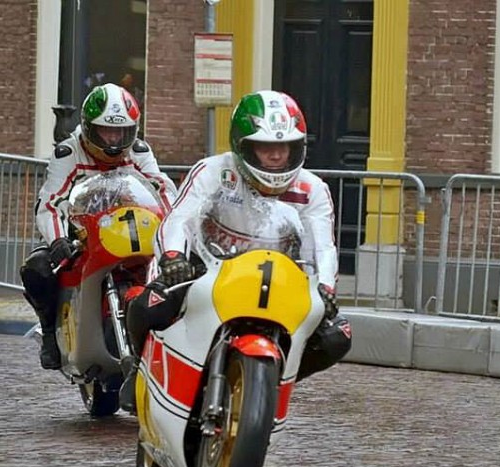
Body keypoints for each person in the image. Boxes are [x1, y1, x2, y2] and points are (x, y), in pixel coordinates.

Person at [121, 90, 352, 407]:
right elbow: (180, 219)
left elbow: (324, 245)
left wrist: (325, 288)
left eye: (284, 147)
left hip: (275, 283)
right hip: (206, 270)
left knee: (338, 336)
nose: (276, 156)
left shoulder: (313, 189)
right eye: (265, 146)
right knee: (148, 304)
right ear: (242, 145)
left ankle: (265, 381)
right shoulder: (213, 171)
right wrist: (173, 257)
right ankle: (138, 370)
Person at [21, 82, 177, 370]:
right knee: (37, 269)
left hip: (129, 231)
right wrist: (57, 242)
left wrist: (172, 231)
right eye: (106, 131)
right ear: (89, 128)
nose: (114, 141)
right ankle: (49, 336)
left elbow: (162, 188)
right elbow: (50, 204)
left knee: (172, 277)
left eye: (121, 132)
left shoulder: (139, 152)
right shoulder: (69, 153)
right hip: (82, 235)